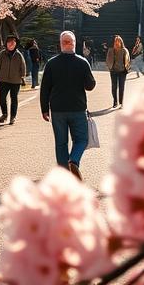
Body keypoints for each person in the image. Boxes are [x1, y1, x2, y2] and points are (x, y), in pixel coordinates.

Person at [40, 30, 96, 180]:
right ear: (74, 44)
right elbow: (90, 85)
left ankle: (64, 174)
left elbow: (45, 87)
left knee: (61, 142)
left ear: (61, 44)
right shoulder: (82, 62)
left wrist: (44, 109)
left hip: (57, 109)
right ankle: (74, 160)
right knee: (81, 139)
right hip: (77, 107)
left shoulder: (51, 63)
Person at [0, 35, 26, 124]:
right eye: (9, 42)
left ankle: (13, 117)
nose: (11, 44)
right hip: (4, 80)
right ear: (6, 44)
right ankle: (4, 114)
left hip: (15, 81)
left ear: (15, 44)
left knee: (14, 98)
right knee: (2, 98)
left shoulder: (19, 55)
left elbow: (23, 66)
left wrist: (22, 77)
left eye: (13, 43)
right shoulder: (2, 54)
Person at [106, 35, 130, 108]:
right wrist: (110, 67)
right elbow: (108, 59)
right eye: (116, 41)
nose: (117, 43)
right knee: (114, 87)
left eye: (118, 41)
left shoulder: (124, 50)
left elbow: (128, 60)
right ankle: (115, 102)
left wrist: (127, 68)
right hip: (113, 71)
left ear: (121, 42)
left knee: (121, 87)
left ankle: (121, 102)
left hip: (122, 71)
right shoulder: (111, 50)